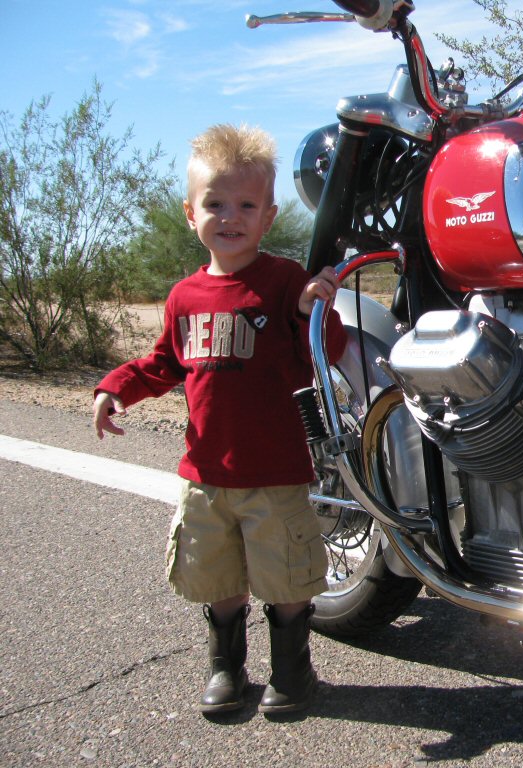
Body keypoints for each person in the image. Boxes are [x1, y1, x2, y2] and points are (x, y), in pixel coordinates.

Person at [92, 123, 346, 716]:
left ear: (268, 216)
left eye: (246, 205)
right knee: (218, 580)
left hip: (276, 471)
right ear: (190, 213)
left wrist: (318, 308)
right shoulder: (183, 296)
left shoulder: (284, 282)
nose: (229, 217)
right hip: (205, 475)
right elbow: (163, 363)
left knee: (285, 581)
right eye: (215, 204)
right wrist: (115, 387)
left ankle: (292, 674)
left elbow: (323, 350)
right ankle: (226, 670)